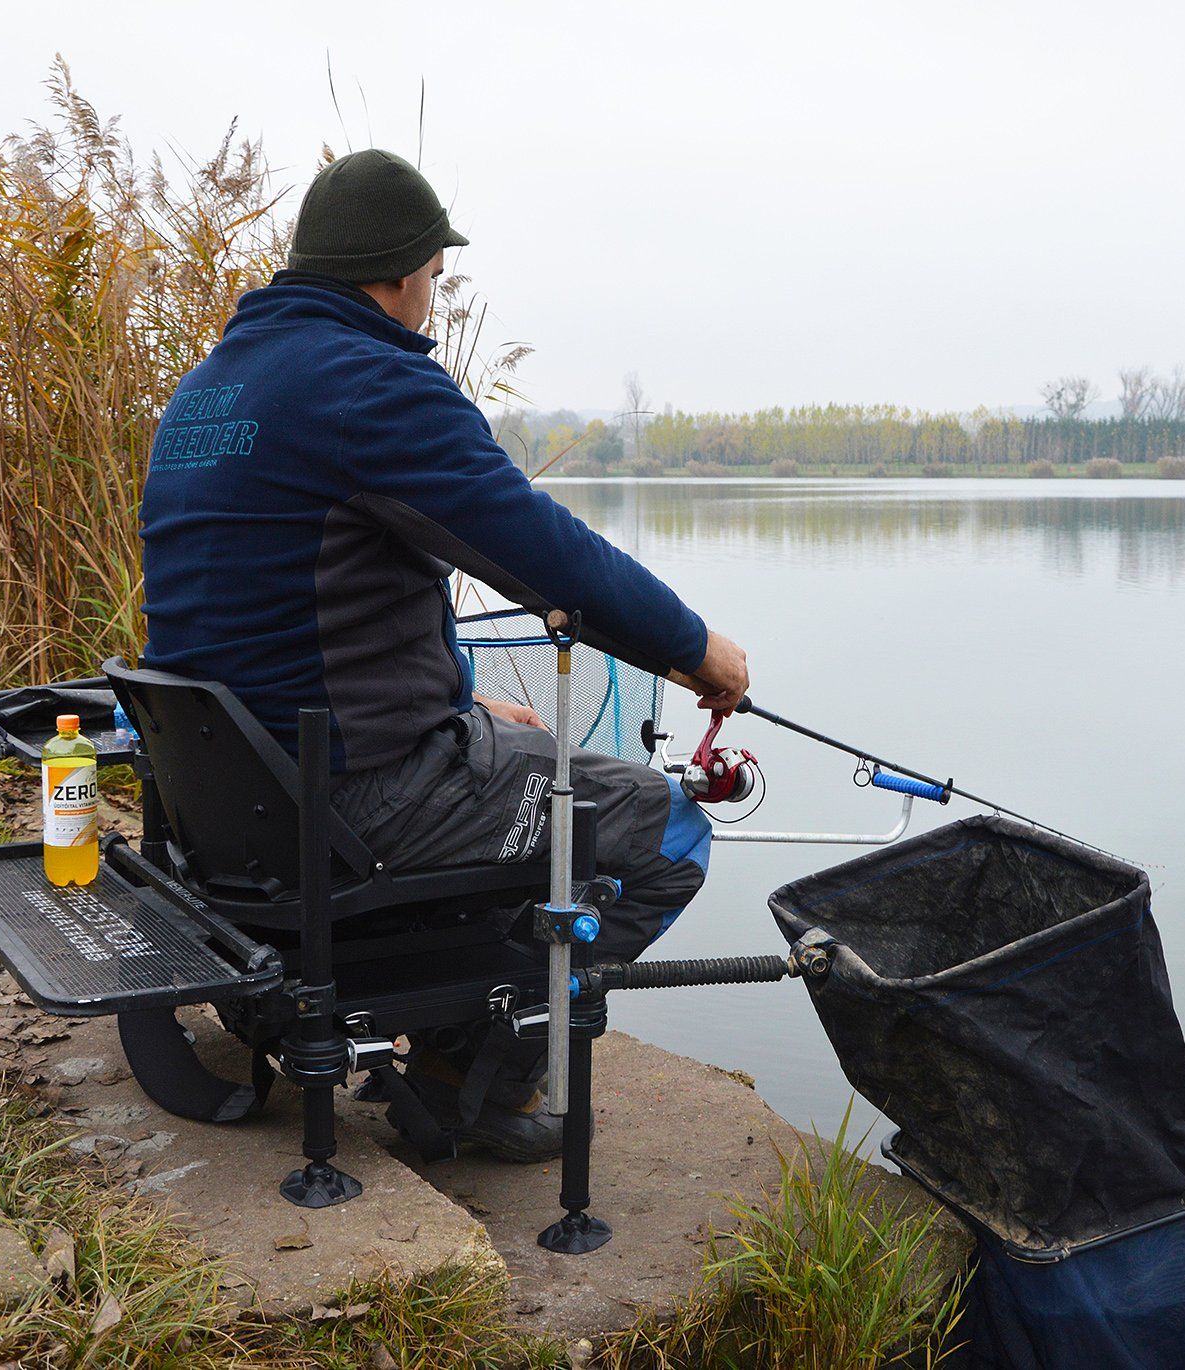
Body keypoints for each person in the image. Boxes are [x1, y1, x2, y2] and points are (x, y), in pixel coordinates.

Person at [139, 148, 749, 1160]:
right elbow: (544, 551)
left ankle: (417, 1024)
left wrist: (460, 696)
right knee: (666, 827)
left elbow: (301, 606)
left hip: (233, 806)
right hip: (348, 801)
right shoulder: (366, 381)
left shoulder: (210, 391)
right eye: (434, 273)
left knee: (523, 761)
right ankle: (477, 1072)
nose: (433, 294)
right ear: (402, 273)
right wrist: (695, 649)